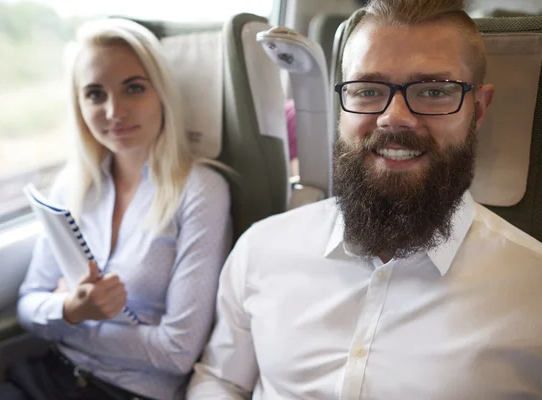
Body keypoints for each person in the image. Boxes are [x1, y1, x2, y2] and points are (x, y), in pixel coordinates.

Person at [187, 0, 542, 399]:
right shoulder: (261, 249)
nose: (395, 117)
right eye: (368, 90)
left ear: (477, 109)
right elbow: (221, 380)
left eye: (433, 91)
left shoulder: (532, 289)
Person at [0, 17, 232, 400]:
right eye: (95, 94)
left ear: (162, 94)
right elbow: (28, 304)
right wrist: (70, 310)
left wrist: (71, 322)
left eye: (133, 88)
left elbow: (177, 351)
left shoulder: (200, 190)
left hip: (126, 392)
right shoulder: (73, 184)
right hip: (48, 377)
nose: (114, 111)